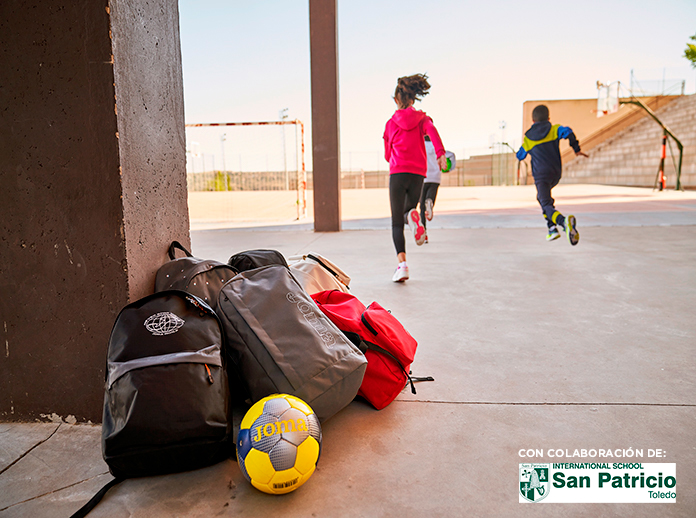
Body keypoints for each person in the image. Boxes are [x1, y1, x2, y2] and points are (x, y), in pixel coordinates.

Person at [383, 74, 448, 282]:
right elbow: (433, 133)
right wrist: (440, 154)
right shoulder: (423, 119)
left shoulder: (390, 124)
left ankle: (402, 266)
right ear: (413, 100)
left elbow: (387, 154)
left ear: (396, 100)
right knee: (408, 210)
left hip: (398, 171)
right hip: (419, 173)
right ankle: (413, 214)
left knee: (396, 222)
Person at [516, 104, 588, 245]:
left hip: (541, 176)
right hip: (555, 173)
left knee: (545, 203)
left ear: (533, 121)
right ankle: (552, 228)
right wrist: (576, 148)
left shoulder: (528, 139)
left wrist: (521, 151)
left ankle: (562, 222)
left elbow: (520, 156)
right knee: (542, 198)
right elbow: (569, 131)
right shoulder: (554, 129)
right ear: (548, 118)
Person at [419, 135, 455, 243]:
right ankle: (430, 201)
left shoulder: (420, 145)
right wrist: (450, 168)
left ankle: (424, 234)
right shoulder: (436, 146)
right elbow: (451, 155)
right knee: (430, 197)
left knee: (421, 207)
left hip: (423, 176)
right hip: (435, 177)